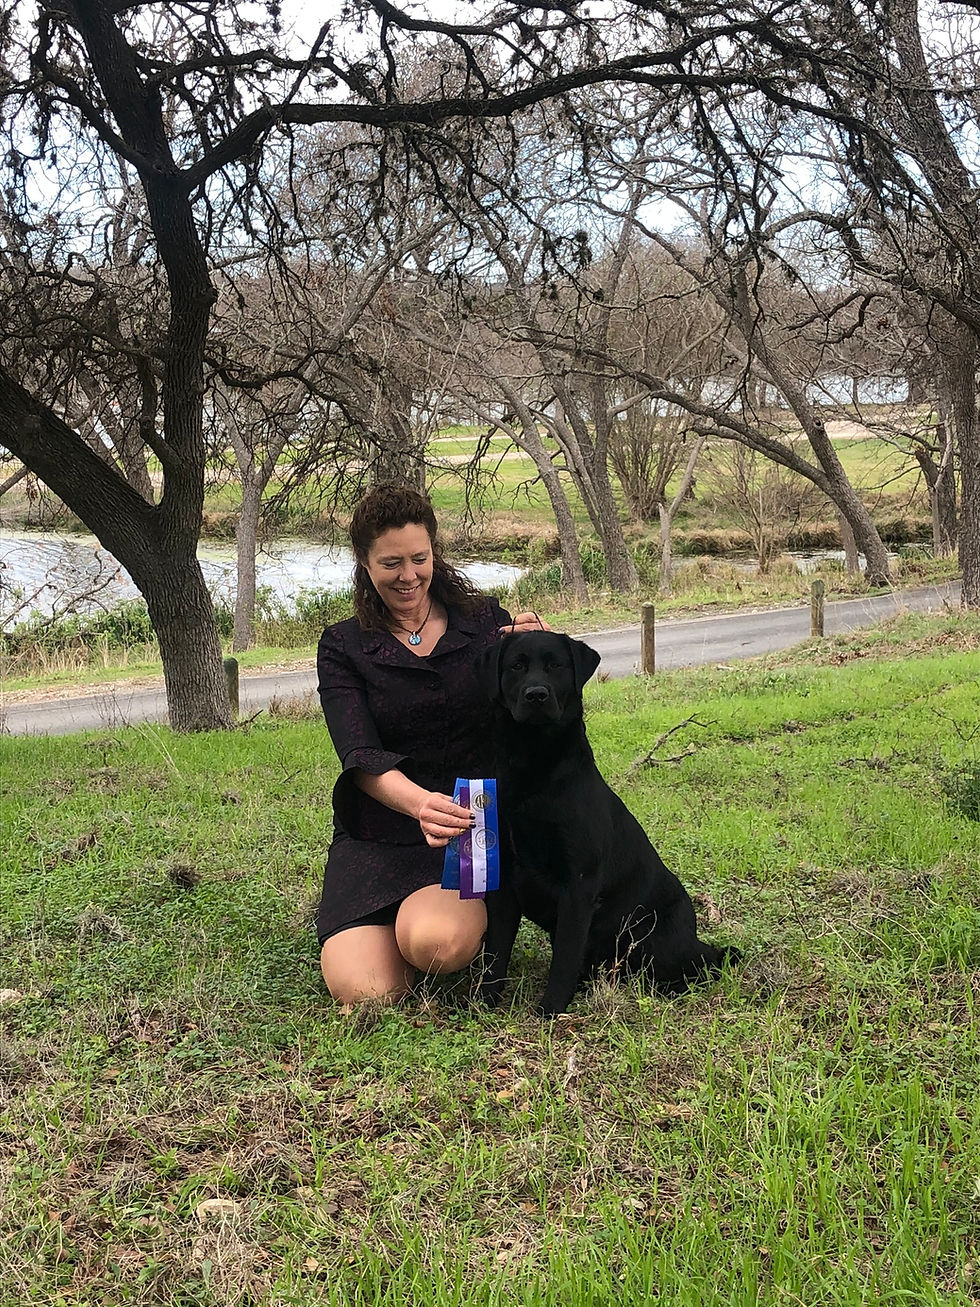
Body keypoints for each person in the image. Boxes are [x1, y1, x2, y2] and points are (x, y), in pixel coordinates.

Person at [315, 483, 547, 1005]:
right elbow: (360, 755)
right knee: (365, 991)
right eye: (391, 563)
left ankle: (437, 923)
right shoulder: (343, 646)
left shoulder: (485, 623)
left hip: (468, 830)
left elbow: (530, 718)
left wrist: (534, 654)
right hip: (377, 833)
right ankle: (391, 928)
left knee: (434, 944)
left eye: (419, 559)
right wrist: (421, 805)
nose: (408, 575)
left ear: (433, 553)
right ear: (364, 562)